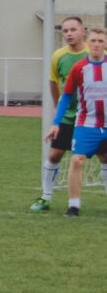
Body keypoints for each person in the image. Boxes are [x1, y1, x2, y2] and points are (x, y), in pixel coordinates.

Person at [46, 25, 107, 217]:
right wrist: (56, 122)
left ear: (106, 44)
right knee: (76, 160)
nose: (96, 45)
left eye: (101, 41)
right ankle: (73, 206)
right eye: (93, 41)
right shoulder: (79, 68)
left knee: (106, 160)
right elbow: (66, 96)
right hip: (85, 124)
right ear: (88, 43)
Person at [31, 17, 88, 211]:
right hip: (68, 116)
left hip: (91, 117)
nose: (69, 34)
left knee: (104, 156)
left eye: (73, 29)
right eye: (65, 31)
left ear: (83, 31)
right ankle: (46, 197)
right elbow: (54, 82)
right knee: (54, 155)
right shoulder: (58, 56)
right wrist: (58, 107)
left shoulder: (95, 54)